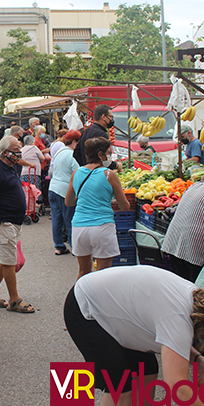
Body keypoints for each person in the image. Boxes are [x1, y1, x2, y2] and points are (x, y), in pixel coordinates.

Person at [64, 266, 204, 406]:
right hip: (85, 308)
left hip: (115, 309)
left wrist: (197, 358)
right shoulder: (178, 318)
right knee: (120, 386)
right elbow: (179, 389)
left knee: (147, 370)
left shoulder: (193, 298)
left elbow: (172, 335)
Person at [65, 137, 130, 277]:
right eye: (108, 152)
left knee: (83, 272)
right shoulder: (109, 175)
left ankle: (79, 299)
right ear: (101, 154)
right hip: (102, 228)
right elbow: (124, 206)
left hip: (79, 227)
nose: (110, 156)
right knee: (103, 275)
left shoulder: (77, 173)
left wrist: (85, 198)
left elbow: (68, 202)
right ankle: (99, 299)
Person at [0, 135, 34, 313]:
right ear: (5, 151)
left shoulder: (11, 166)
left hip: (12, 222)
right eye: (15, 150)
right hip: (3, 222)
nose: (19, 153)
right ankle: (14, 299)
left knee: (5, 260)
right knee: (8, 262)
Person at [48, 130, 81, 255]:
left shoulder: (58, 153)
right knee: (70, 219)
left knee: (56, 219)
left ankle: (59, 246)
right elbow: (77, 173)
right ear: (74, 142)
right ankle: (75, 247)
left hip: (53, 188)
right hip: (65, 190)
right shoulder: (72, 155)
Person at [74, 104, 117, 169]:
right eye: (111, 117)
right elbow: (105, 160)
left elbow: (76, 154)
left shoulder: (86, 131)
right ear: (103, 117)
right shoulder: (102, 134)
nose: (112, 120)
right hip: (98, 173)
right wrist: (116, 165)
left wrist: (85, 166)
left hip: (87, 172)